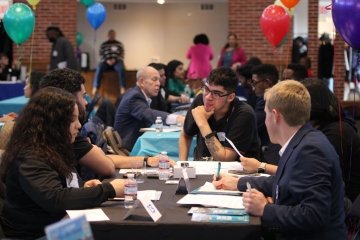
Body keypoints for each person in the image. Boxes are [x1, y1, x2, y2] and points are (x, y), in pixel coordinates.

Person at [213, 80, 346, 239]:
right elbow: (283, 181)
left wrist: (264, 209)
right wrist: (238, 183)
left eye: (266, 113)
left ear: (275, 115)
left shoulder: (310, 150)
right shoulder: (302, 140)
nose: (265, 120)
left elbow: (314, 215)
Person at [0, 87, 125, 239]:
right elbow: (55, 198)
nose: (78, 125)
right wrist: (109, 189)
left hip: (55, 225)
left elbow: (57, 187)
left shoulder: (52, 147)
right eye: (72, 119)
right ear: (52, 122)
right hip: (34, 235)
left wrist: (82, 187)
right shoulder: (29, 156)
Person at [39, 68, 161, 179]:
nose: (86, 103)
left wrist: (147, 160)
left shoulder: (53, 131)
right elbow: (106, 165)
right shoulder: (66, 135)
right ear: (66, 99)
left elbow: (104, 158)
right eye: (83, 96)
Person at [179, 67, 260, 161]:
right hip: (202, 166)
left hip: (235, 171)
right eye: (206, 89)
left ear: (230, 97)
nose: (208, 97)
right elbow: (185, 135)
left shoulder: (244, 114)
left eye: (216, 93)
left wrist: (202, 122)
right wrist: (182, 165)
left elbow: (224, 159)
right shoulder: (200, 101)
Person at [114, 66, 185, 151]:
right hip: (129, 147)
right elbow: (148, 114)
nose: (158, 83)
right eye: (154, 79)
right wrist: (177, 118)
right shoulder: (134, 96)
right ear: (142, 82)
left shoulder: (139, 93)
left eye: (158, 80)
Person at [251, 64, 281, 165]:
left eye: (254, 82)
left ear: (266, 82)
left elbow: (253, 125)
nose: (252, 86)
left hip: (272, 156)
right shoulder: (264, 98)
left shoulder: (270, 100)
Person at [92, 29, 126, 97]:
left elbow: (122, 55)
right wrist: (106, 60)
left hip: (116, 62)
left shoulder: (119, 44)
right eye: (110, 34)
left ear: (115, 35)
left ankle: (122, 87)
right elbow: (101, 55)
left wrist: (114, 60)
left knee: (121, 67)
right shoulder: (103, 45)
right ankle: (95, 87)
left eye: (113, 34)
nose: (112, 35)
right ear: (108, 35)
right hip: (106, 62)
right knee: (99, 67)